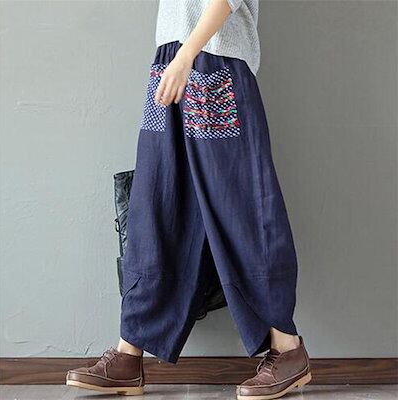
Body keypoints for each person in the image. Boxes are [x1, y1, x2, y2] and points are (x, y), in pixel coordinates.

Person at [66, 1, 311, 399]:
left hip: (214, 64)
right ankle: (129, 352)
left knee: (243, 209)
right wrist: (177, 59)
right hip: (169, 65)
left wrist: (186, 56)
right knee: (155, 206)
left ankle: (287, 349)